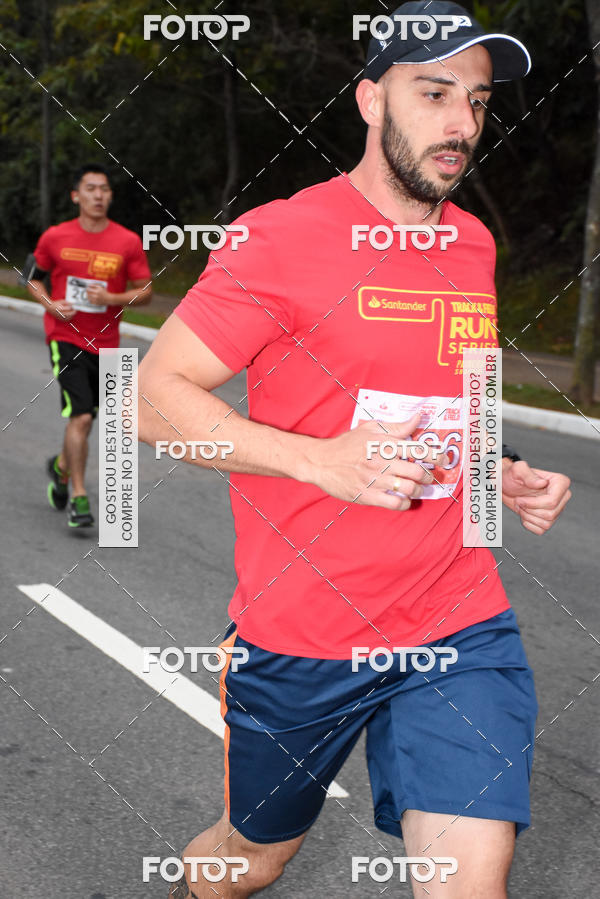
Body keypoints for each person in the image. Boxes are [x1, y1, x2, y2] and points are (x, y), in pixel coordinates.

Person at [138, 3, 572, 896]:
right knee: (248, 863)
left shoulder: (472, 243)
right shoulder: (280, 238)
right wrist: (317, 460)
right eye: (434, 93)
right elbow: (147, 400)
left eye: (478, 101)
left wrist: (496, 471)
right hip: (302, 636)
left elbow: (454, 397)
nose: (461, 123)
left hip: (456, 622)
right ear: (372, 100)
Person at [26, 163, 152, 528]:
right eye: (91, 188)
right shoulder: (55, 237)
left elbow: (145, 290)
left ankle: (60, 467)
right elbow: (33, 278)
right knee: (80, 415)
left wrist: (113, 297)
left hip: (108, 345)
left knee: (89, 419)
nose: (98, 195)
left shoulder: (127, 241)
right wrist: (50, 304)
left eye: (104, 189)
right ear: (75, 196)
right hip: (66, 338)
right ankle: (79, 497)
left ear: (110, 196)